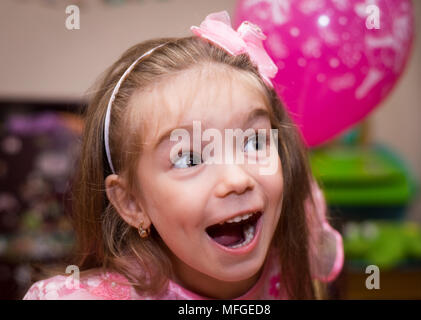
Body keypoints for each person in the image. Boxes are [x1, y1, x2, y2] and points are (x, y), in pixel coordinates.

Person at [23, 10, 343, 300]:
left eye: (254, 143)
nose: (237, 179)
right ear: (132, 203)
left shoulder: (299, 237)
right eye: (189, 159)